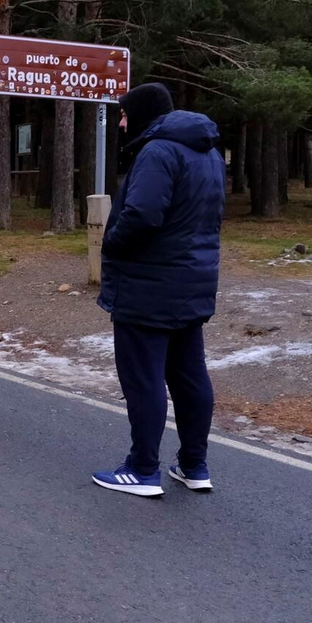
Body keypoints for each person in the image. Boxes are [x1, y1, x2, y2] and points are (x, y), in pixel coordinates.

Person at [91, 82, 226, 498]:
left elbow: (144, 215)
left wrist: (110, 242)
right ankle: (193, 465)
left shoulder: (157, 152)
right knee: (189, 376)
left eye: (126, 115)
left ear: (144, 114)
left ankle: (143, 469)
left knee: (144, 379)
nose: (122, 123)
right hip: (193, 281)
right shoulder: (209, 152)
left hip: (148, 285)